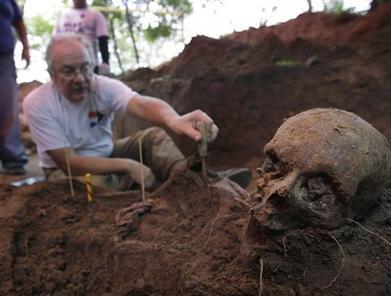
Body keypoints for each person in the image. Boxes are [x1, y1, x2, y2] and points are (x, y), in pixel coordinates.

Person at [24, 33, 251, 191]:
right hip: (65, 173)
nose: (80, 78)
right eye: (68, 71)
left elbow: (141, 103)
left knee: (153, 138)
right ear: (52, 74)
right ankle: (157, 192)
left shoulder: (102, 86)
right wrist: (128, 165)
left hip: (108, 152)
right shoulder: (38, 103)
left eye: (85, 68)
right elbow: (68, 162)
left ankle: (192, 182)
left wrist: (174, 119)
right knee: (101, 185)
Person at [0, 0, 30, 175]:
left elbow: (19, 23)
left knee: (8, 107)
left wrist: (26, 48)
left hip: (4, 56)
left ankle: (13, 159)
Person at [55, 0, 110, 75]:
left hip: (89, 63)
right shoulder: (63, 16)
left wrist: (105, 62)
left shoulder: (96, 15)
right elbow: (55, 41)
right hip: (66, 64)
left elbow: (103, 39)